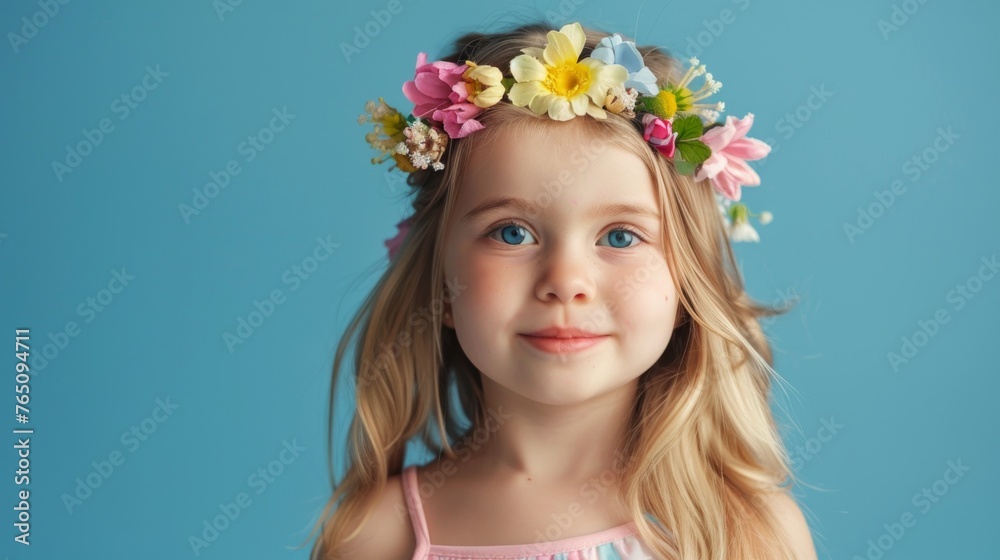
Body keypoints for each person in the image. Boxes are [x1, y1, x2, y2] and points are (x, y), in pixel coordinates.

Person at [309, 19, 818, 560]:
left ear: (685, 285)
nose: (565, 283)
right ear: (442, 284)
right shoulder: (377, 536)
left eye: (620, 236)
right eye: (512, 233)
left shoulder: (742, 531)